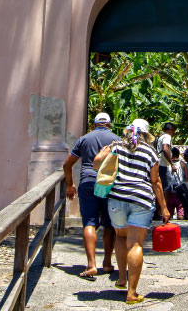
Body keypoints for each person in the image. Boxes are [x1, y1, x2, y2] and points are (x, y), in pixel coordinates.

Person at [92, 118, 170, 305]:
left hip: (117, 199)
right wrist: (164, 208)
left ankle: (121, 279)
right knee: (135, 244)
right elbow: (156, 181)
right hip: (141, 200)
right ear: (146, 134)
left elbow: (96, 164)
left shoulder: (116, 146)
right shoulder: (151, 151)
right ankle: (132, 293)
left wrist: (104, 152)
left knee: (120, 237)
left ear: (128, 131)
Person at [62, 112, 120, 279]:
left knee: (89, 222)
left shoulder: (84, 139)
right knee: (109, 224)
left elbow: (67, 164)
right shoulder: (117, 140)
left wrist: (70, 185)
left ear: (94, 124)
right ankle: (108, 263)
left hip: (88, 182)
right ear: (109, 124)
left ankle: (91, 264)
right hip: (109, 184)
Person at [155, 122, 176, 214]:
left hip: (158, 165)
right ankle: (162, 211)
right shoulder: (167, 137)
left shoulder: (161, 137)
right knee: (167, 189)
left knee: (160, 188)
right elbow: (165, 149)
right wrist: (172, 164)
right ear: (171, 129)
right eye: (174, 131)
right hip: (163, 165)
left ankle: (158, 211)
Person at [168, 147, 188, 219]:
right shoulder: (182, 164)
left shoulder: (168, 164)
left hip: (170, 190)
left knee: (169, 211)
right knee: (180, 210)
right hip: (180, 190)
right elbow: (187, 178)